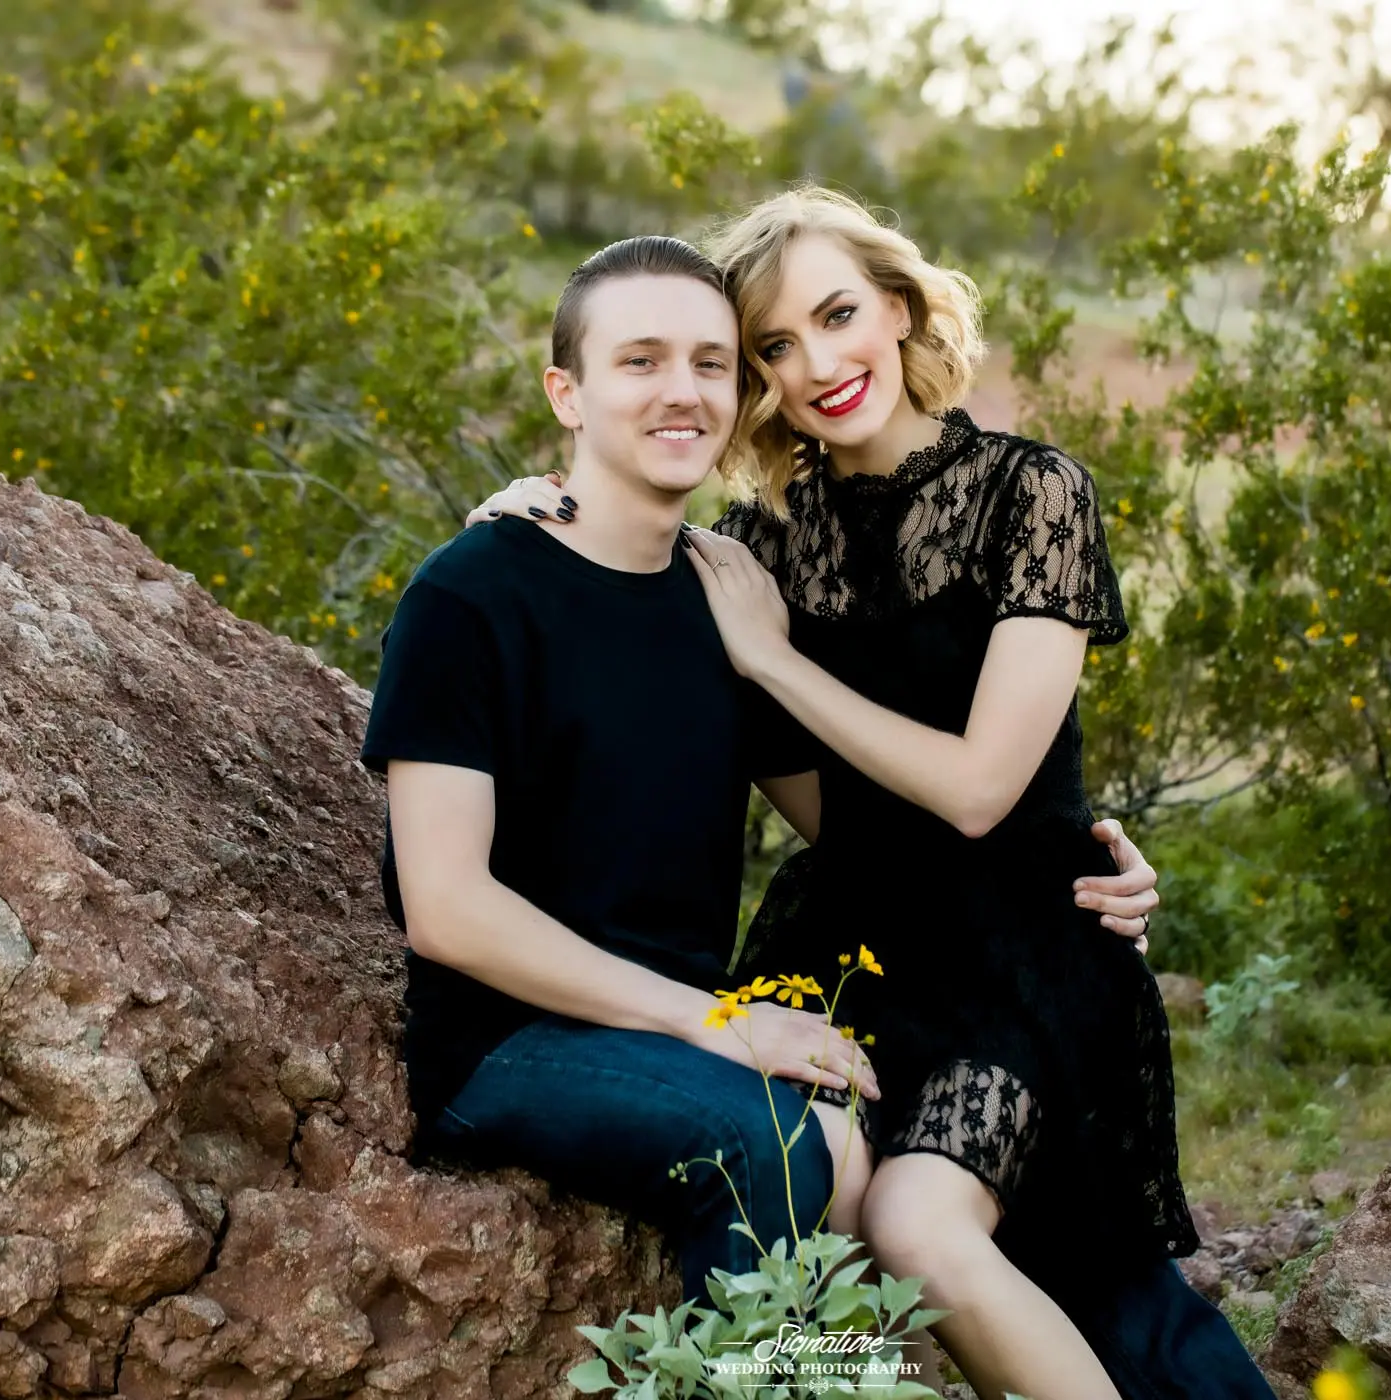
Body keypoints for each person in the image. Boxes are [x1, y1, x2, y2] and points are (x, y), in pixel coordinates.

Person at [470, 191, 1272, 1400]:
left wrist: (775, 656)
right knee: (814, 1221)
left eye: (839, 315)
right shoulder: (758, 548)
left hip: (1026, 953)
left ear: (898, 307)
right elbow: (828, 811)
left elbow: (977, 792)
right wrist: (519, 514)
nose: (818, 365)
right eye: (776, 348)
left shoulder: (1032, 495)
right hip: (850, 947)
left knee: (925, 1229)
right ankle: (846, 1382)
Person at [361, 234, 1164, 1316]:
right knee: (791, 1149)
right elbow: (447, 909)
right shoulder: (471, 594)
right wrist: (715, 1020)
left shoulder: (729, 597)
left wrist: (1074, 861)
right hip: (512, 1039)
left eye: (711, 362)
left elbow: (872, 818)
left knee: (850, 1153)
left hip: (689, 1022)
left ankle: (809, 1378)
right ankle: (772, 1380)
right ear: (568, 390)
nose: (681, 389)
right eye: (639, 360)